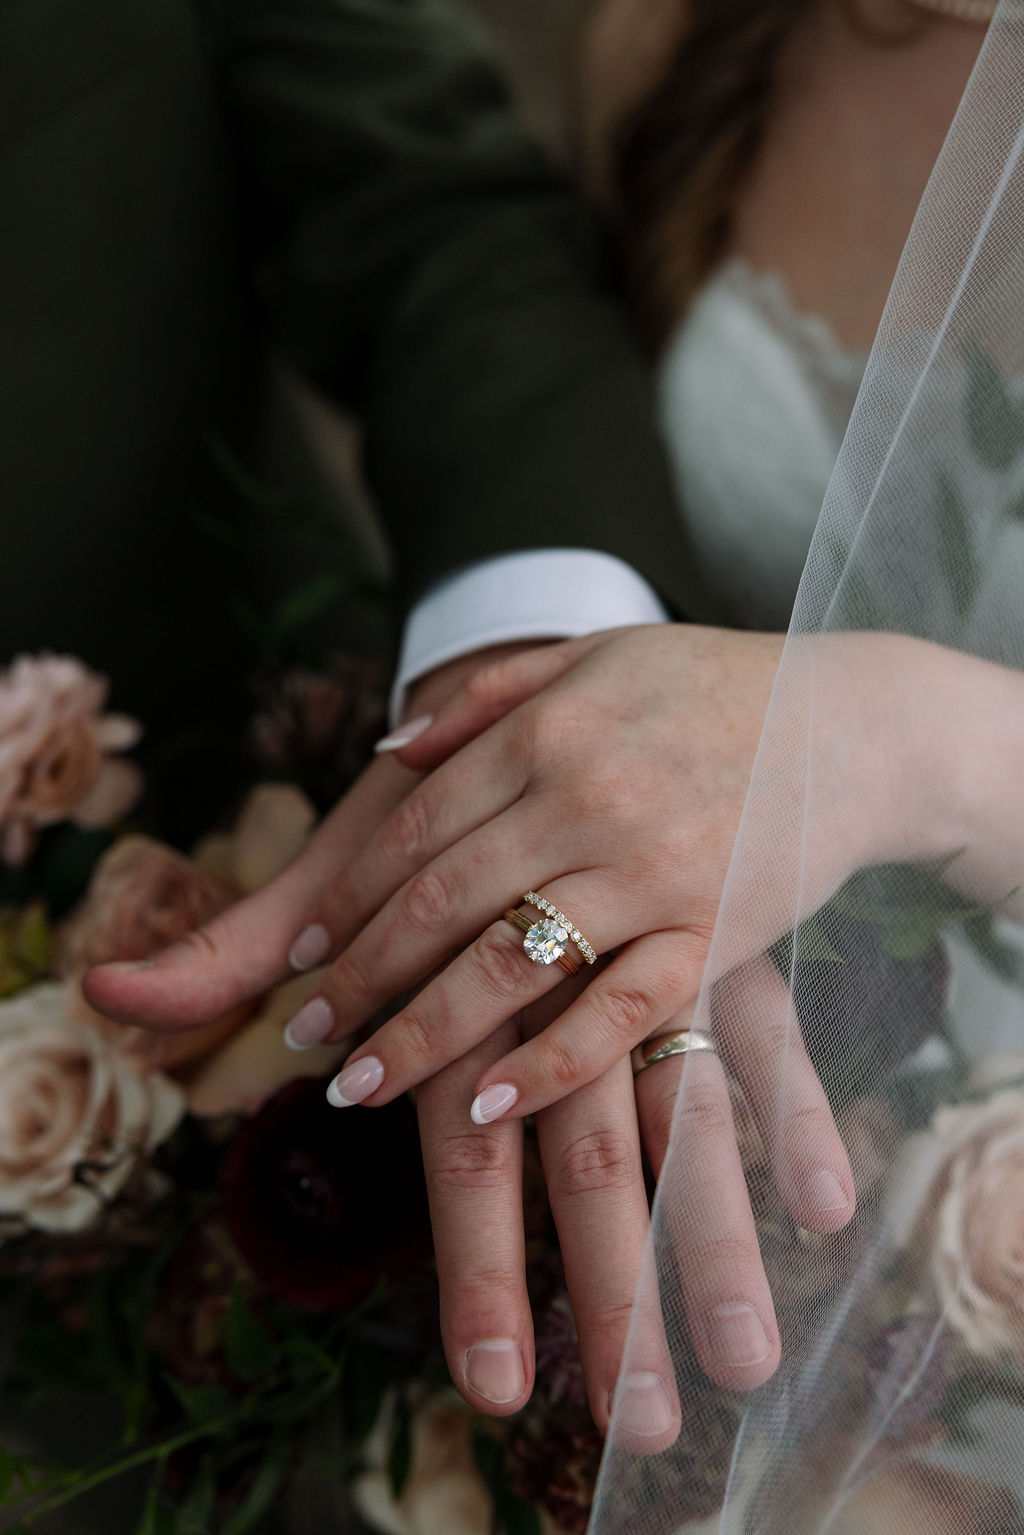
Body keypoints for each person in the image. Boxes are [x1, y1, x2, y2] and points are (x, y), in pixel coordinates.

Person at [88, 0, 1024, 1484]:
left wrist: (915, 740)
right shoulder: (681, 29)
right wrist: (558, 740)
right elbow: (542, 368)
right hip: (731, 1060)